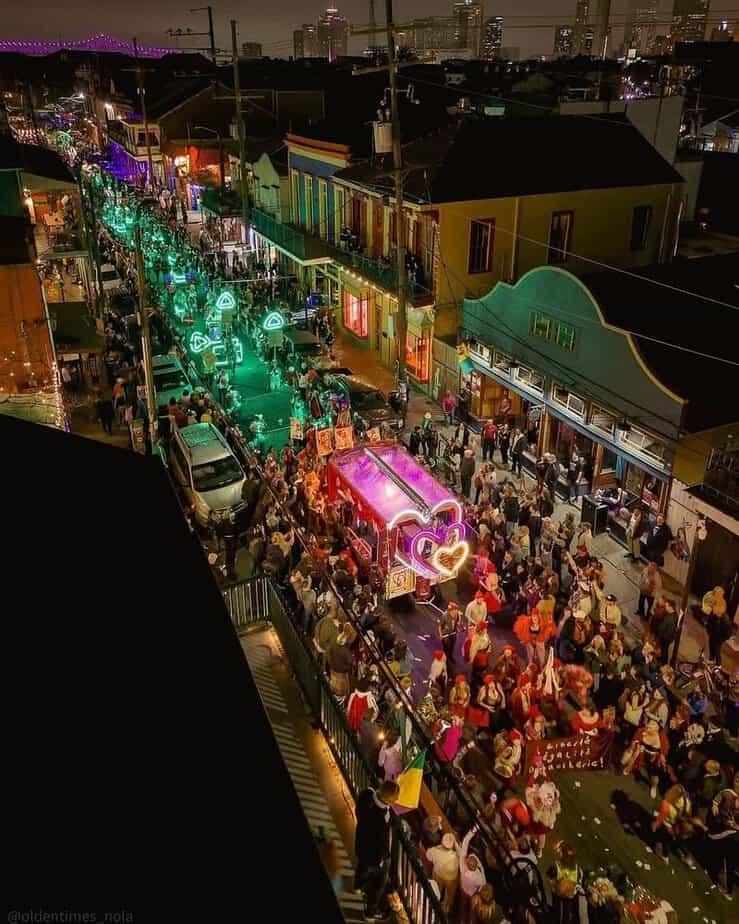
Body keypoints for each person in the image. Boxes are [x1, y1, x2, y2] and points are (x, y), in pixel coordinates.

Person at [354, 780, 400, 920]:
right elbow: (382, 842)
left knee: (362, 867)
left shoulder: (366, 794)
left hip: (361, 844)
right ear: (389, 800)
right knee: (378, 885)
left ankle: (358, 886)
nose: (396, 800)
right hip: (375, 857)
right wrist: (383, 859)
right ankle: (370, 912)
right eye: (396, 798)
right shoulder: (383, 817)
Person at [426, 831, 461, 914]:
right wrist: (456, 844)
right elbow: (462, 854)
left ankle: (434, 904)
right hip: (451, 878)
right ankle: (445, 908)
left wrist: (438, 847)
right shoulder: (456, 855)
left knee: (436, 889)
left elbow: (428, 855)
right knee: (448, 895)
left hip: (438, 874)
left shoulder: (435, 851)